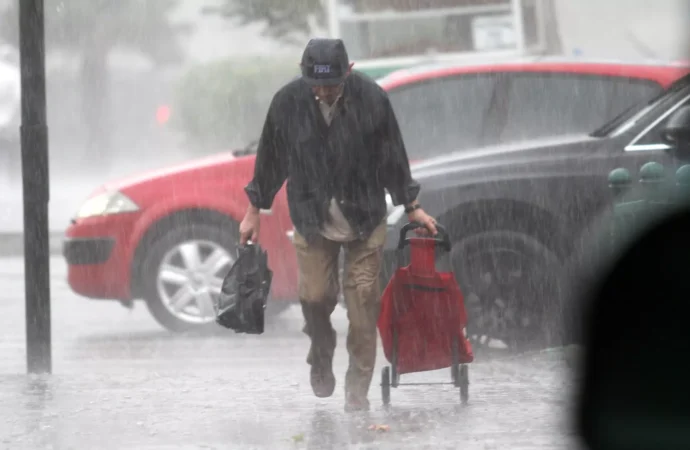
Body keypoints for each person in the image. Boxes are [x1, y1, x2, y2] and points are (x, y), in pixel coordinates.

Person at [239, 38, 437, 412]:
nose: (325, 92)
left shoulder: (372, 100)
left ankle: (357, 392)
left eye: (332, 84)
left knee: (363, 303)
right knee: (315, 298)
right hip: (312, 218)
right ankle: (321, 352)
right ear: (305, 76)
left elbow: (393, 156)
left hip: (364, 216)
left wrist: (412, 206)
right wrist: (254, 210)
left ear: (349, 71)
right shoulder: (287, 103)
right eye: (317, 84)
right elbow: (270, 160)